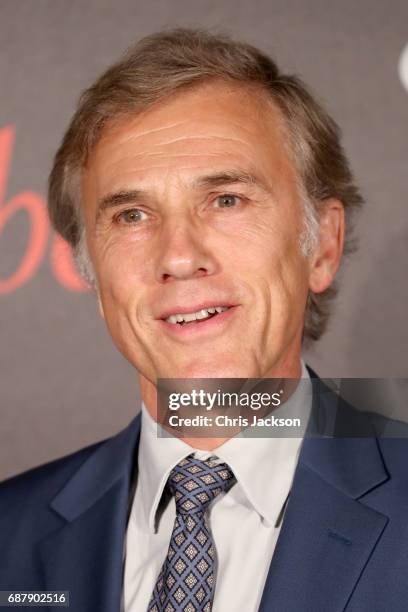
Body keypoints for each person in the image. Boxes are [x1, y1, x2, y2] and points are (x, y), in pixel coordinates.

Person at [1, 28, 407, 612]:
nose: (178, 256)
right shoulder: (9, 536)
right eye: (132, 215)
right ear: (93, 276)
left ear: (322, 246)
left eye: (226, 200)